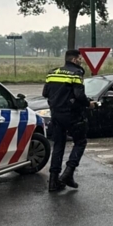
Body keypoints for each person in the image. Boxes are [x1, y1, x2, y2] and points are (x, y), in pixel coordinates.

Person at [43, 49, 93, 192]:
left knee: (58, 145)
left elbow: (45, 93)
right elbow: (79, 95)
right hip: (72, 115)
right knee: (80, 142)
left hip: (56, 114)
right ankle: (68, 174)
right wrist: (88, 103)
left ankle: (53, 182)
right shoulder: (76, 73)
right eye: (80, 59)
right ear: (74, 60)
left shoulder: (52, 73)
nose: (81, 61)